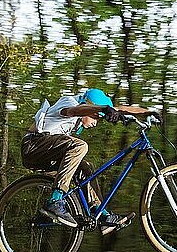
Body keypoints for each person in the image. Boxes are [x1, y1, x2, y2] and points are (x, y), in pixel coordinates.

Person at [21, 88, 152, 234]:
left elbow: (121, 108)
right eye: (96, 117)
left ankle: (100, 213)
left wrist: (148, 112)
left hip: (48, 153)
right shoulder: (70, 102)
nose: (96, 123)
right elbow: (74, 111)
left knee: (86, 167)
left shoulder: (86, 107)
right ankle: (55, 201)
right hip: (33, 146)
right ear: (88, 105)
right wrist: (103, 109)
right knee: (80, 146)